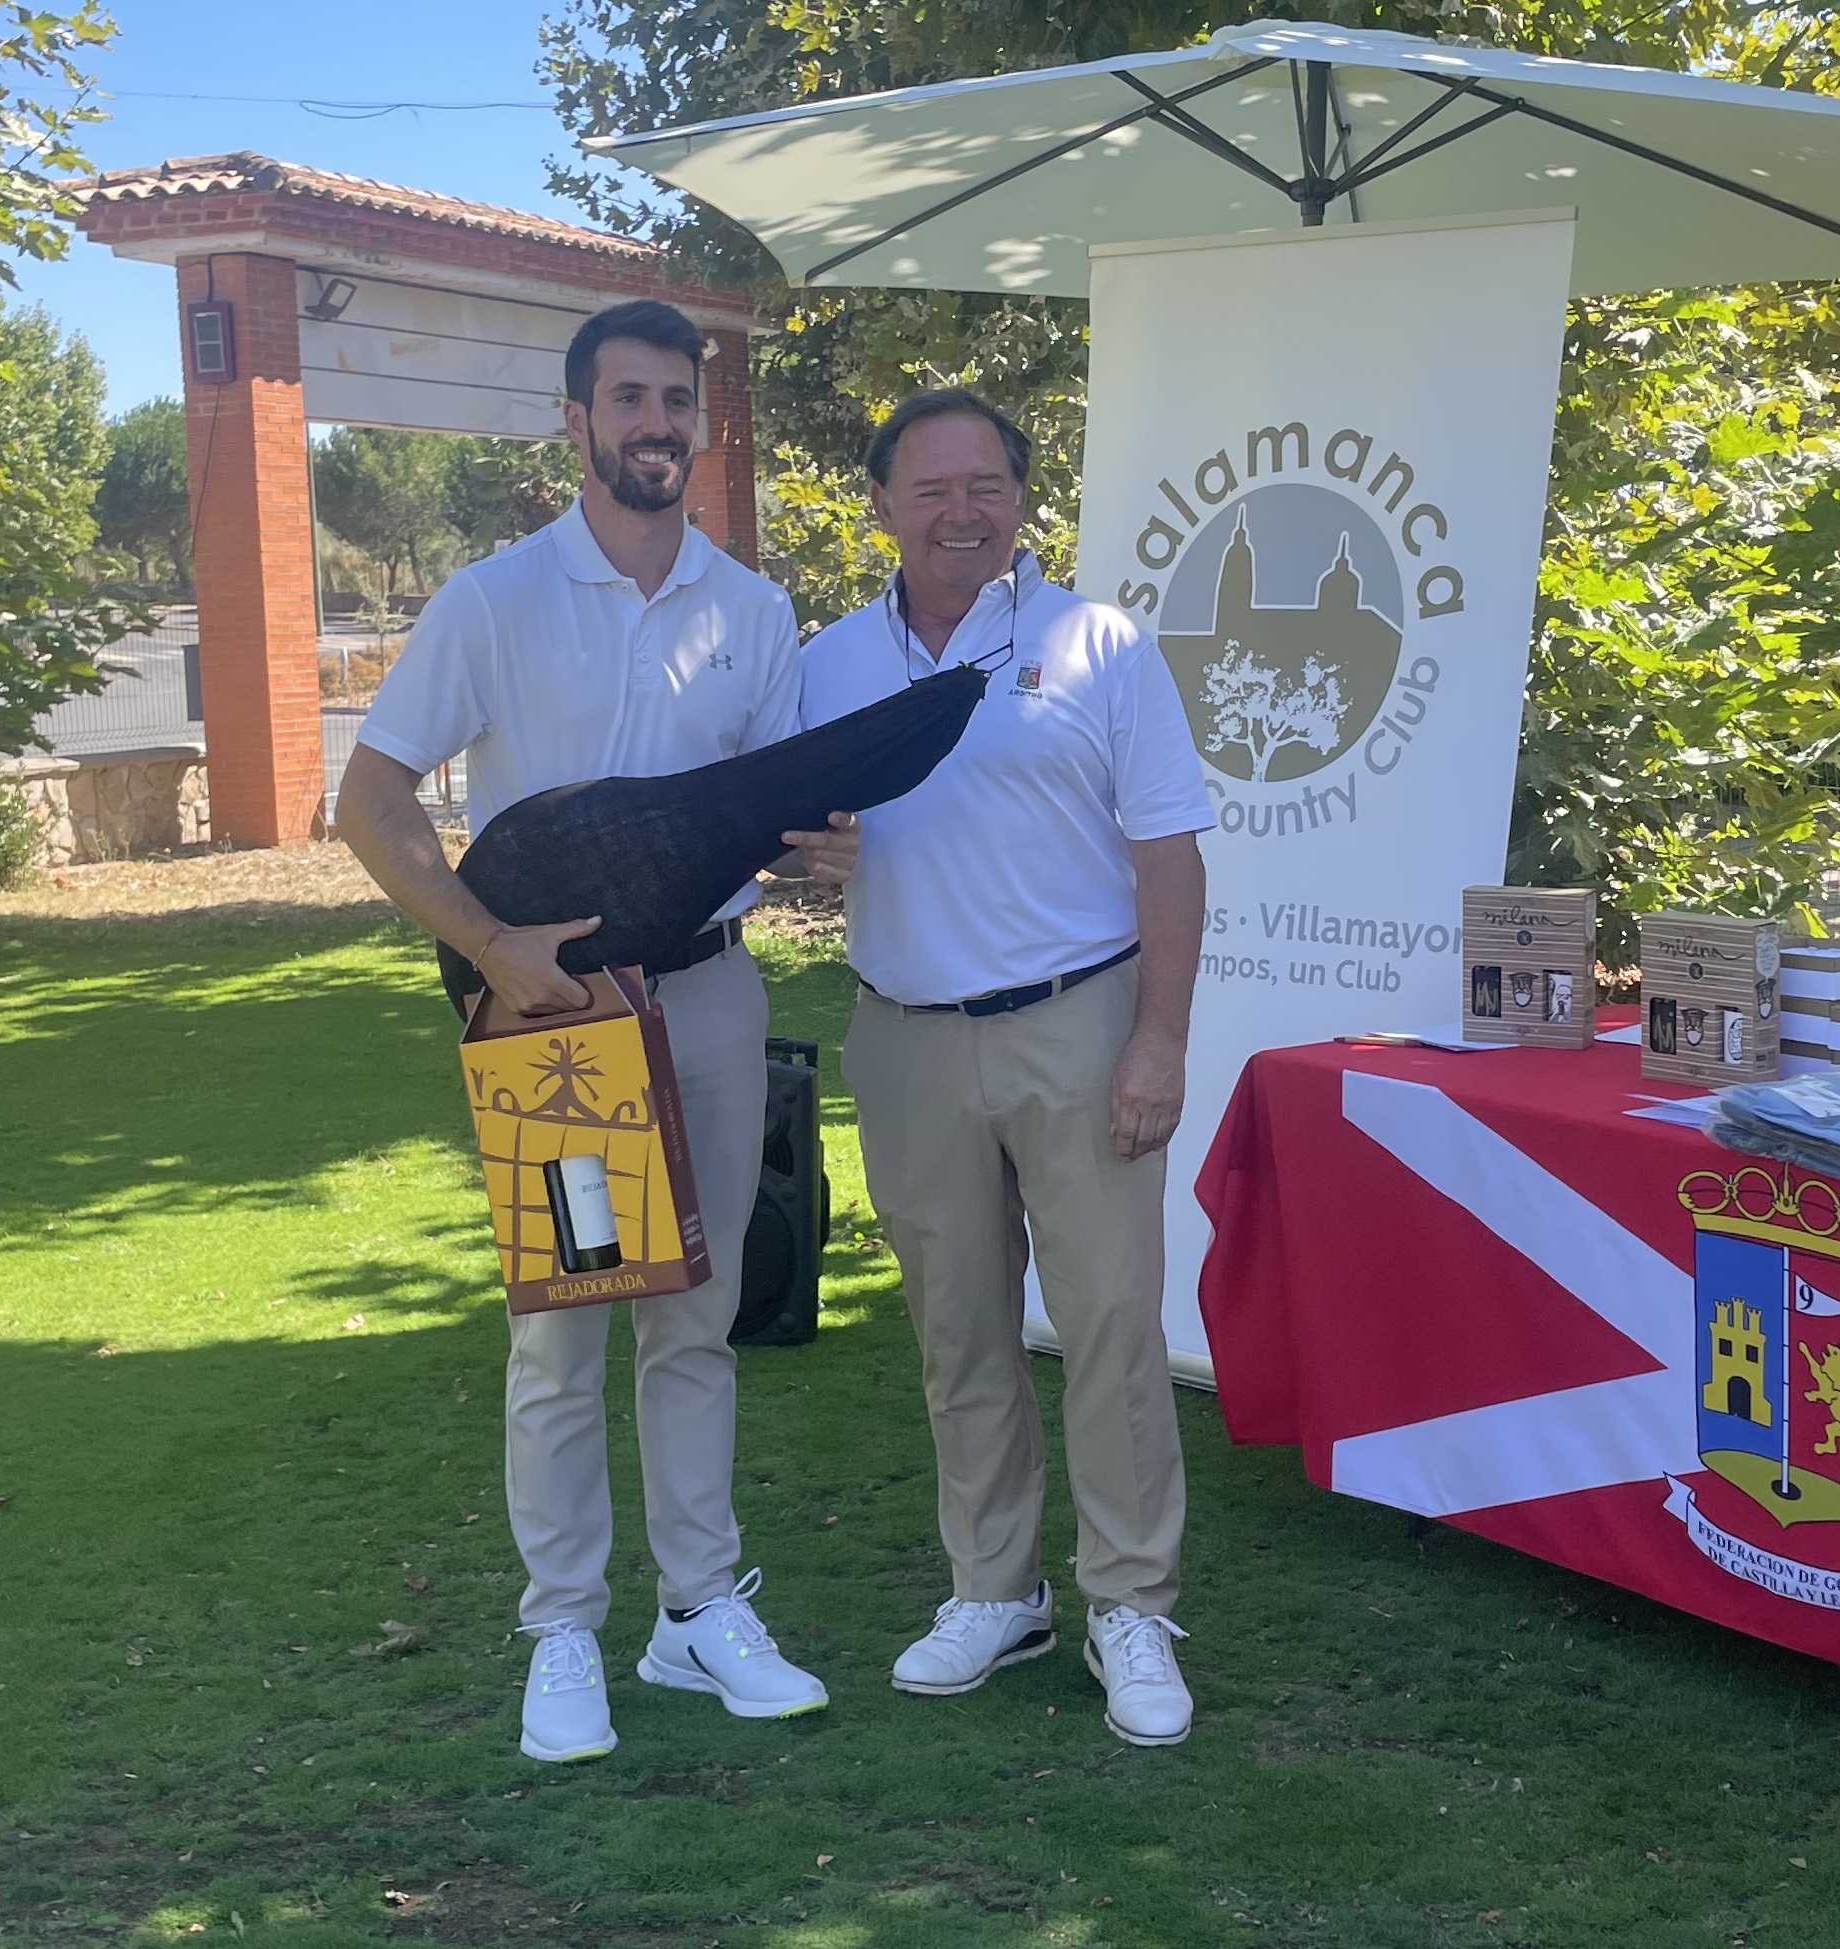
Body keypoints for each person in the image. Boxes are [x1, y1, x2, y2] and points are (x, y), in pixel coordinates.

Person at [334, 299, 858, 1765]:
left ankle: (697, 1613)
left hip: (704, 995)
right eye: (627, 399)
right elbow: (368, 803)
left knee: (698, 1325)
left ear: (701, 419)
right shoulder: (493, 600)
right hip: (556, 1021)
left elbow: (779, 817)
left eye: (676, 400)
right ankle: (562, 1628)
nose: (655, 424)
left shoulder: (753, 614)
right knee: (566, 1331)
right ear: (574, 422)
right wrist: (490, 946)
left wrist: (833, 845)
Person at [795, 389, 1212, 1745]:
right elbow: (790, 838)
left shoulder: (1099, 645)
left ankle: (1130, 1602)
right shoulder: (829, 664)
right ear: (881, 506)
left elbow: (1169, 857)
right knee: (958, 1332)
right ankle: (996, 1589)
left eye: (984, 484)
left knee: (1107, 1326)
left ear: (1021, 500)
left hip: (1076, 1023)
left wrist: (1158, 1037)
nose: (958, 509)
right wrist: (802, 859)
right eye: (930, 487)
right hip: (905, 1035)